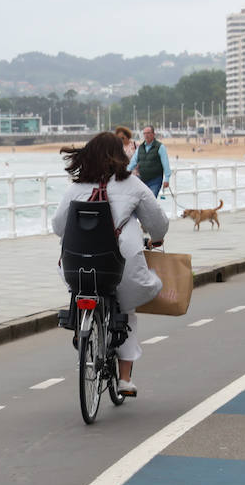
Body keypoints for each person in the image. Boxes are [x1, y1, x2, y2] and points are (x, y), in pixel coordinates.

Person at [52, 132, 168, 397]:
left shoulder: (75, 188)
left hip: (77, 268)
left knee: (85, 292)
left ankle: (83, 326)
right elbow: (158, 223)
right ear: (119, 155)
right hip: (122, 266)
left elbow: (59, 227)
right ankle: (125, 378)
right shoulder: (134, 185)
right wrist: (157, 239)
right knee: (126, 310)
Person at [128, 125, 171, 198]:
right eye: (144, 133)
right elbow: (133, 162)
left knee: (151, 201)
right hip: (141, 179)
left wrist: (166, 179)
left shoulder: (160, 147)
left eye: (148, 133)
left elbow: (165, 164)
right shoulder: (140, 148)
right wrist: (126, 172)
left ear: (153, 134)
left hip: (155, 180)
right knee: (140, 202)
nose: (146, 135)